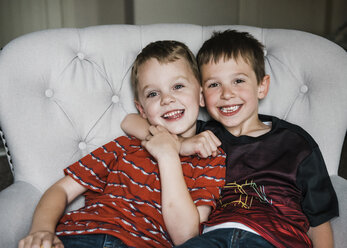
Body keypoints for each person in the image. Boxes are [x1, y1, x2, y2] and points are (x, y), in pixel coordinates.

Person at [121, 30, 339, 248]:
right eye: (214, 85)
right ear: (202, 95)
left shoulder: (296, 143)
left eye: (238, 81)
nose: (227, 94)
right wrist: (179, 144)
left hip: (275, 238)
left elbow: (319, 223)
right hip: (213, 236)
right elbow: (131, 122)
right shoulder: (201, 135)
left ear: (262, 86)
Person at [18, 40, 226, 248]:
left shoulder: (209, 158)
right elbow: (62, 190)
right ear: (142, 110)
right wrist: (41, 230)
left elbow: (186, 236)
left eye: (178, 86)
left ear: (200, 95)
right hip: (81, 235)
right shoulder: (125, 145)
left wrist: (168, 155)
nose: (166, 99)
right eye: (153, 94)